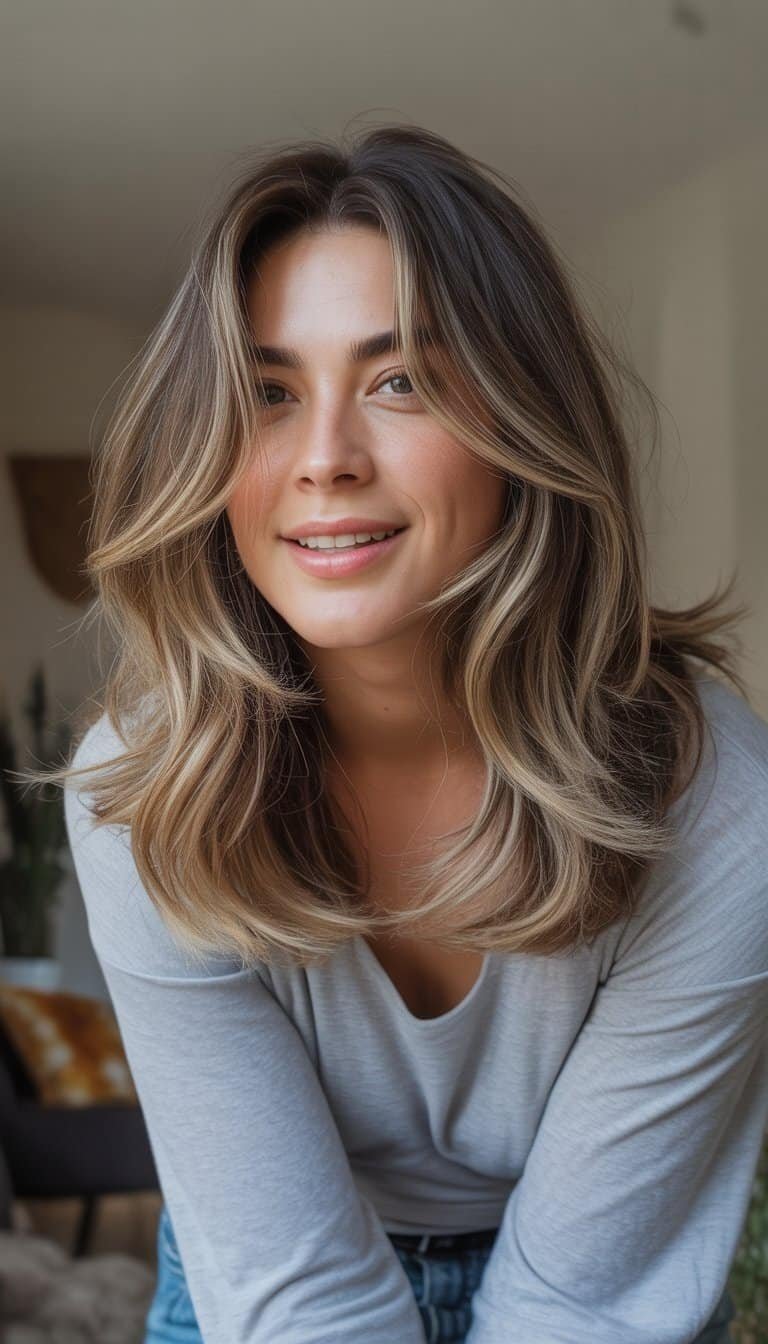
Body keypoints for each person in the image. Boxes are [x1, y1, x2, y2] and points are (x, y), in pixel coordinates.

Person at [36, 123, 768, 1342]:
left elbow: (584, 1300)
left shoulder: (714, 802)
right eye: (267, 395)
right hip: (263, 1282)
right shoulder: (145, 787)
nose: (323, 459)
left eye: (400, 381)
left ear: (522, 428)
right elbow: (295, 1287)